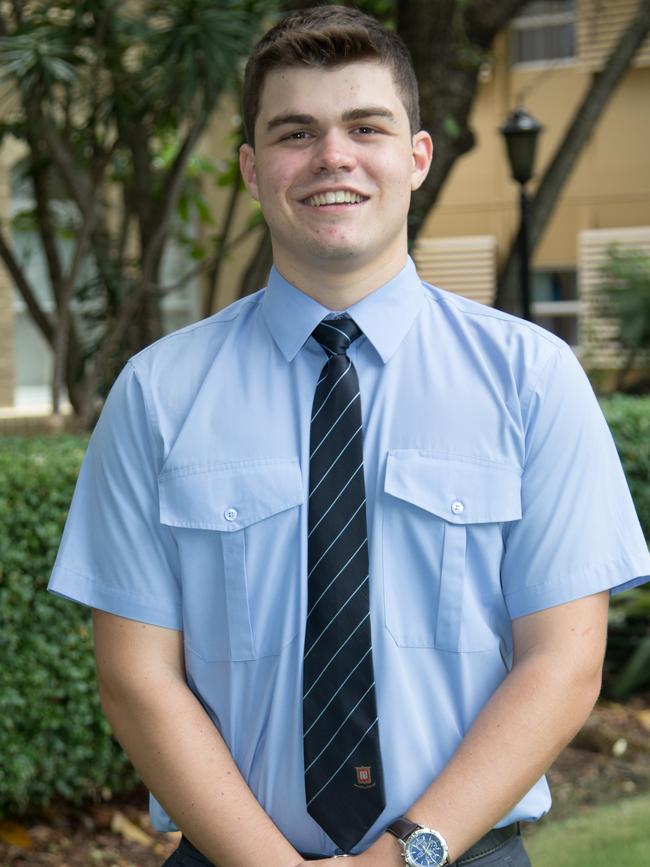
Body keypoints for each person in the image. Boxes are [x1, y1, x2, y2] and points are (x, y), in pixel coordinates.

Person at [48, 6, 650, 867]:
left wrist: (406, 855)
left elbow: (563, 662)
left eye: (365, 126)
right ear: (252, 170)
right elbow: (136, 677)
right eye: (296, 132)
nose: (333, 156)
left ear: (416, 156)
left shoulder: (533, 380)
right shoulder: (156, 395)